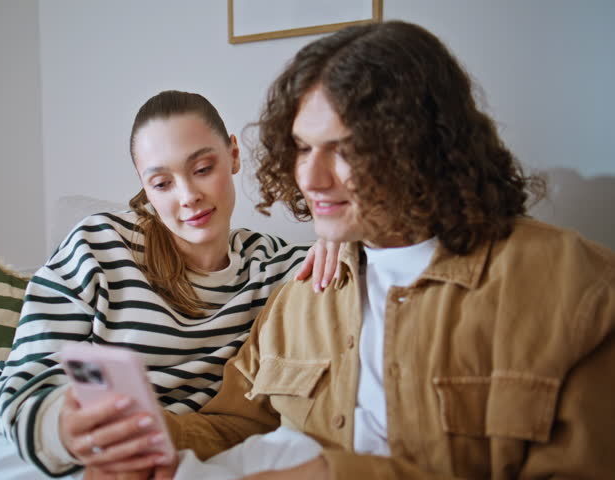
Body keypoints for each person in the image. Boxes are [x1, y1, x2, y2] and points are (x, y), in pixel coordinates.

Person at [75, 21, 615, 479]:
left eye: (346, 149)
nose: (309, 177)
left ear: (423, 146)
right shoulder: (303, 294)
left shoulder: (576, 289)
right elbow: (235, 421)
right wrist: (153, 442)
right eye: (304, 147)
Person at [0, 90, 338, 479]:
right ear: (145, 187)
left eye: (202, 169)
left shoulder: (276, 268)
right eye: (162, 183)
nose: (188, 196)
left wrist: (339, 235)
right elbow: (28, 378)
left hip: (165, 444)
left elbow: (384, 261)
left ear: (233, 155)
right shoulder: (99, 244)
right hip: (25, 426)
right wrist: (67, 431)